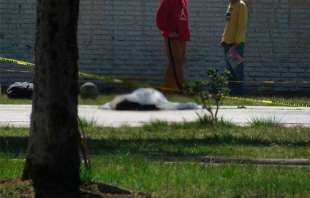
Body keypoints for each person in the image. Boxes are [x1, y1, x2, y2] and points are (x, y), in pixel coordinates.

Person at [156, 0, 190, 91]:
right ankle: (170, 89)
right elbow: (160, 19)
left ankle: (178, 88)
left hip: (182, 37)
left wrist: (185, 34)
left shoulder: (183, 1)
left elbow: (183, 19)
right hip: (173, 38)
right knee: (174, 63)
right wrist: (168, 32)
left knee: (179, 63)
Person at [221, 0, 248, 95]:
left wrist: (236, 44)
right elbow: (228, 25)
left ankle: (238, 94)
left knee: (237, 71)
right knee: (229, 71)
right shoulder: (230, 5)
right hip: (227, 43)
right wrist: (223, 38)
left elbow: (242, 26)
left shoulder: (241, 5)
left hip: (235, 44)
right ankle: (231, 93)